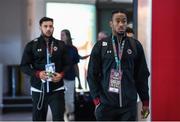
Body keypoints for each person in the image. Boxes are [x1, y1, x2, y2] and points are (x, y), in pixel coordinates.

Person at [87, 9, 150, 121]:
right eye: (117, 21)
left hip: (128, 107)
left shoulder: (135, 45)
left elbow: (142, 76)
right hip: (106, 106)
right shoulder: (101, 46)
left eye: (124, 21)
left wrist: (145, 102)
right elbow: (92, 74)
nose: (121, 24)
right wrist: (97, 101)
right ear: (111, 23)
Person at [20, 17, 71, 121]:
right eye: (45, 26)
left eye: (50, 26)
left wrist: (61, 74)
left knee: (58, 119)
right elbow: (24, 66)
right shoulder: (32, 45)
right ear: (40, 28)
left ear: (53, 28)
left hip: (57, 90)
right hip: (38, 90)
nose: (48, 29)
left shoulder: (60, 45)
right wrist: (38, 74)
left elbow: (68, 64)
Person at [61, 29, 85, 121]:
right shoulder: (58, 48)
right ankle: (64, 116)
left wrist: (79, 81)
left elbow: (76, 66)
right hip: (59, 78)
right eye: (60, 35)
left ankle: (70, 113)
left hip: (70, 77)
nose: (61, 37)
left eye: (63, 35)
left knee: (69, 100)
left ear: (68, 36)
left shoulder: (73, 49)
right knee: (61, 99)